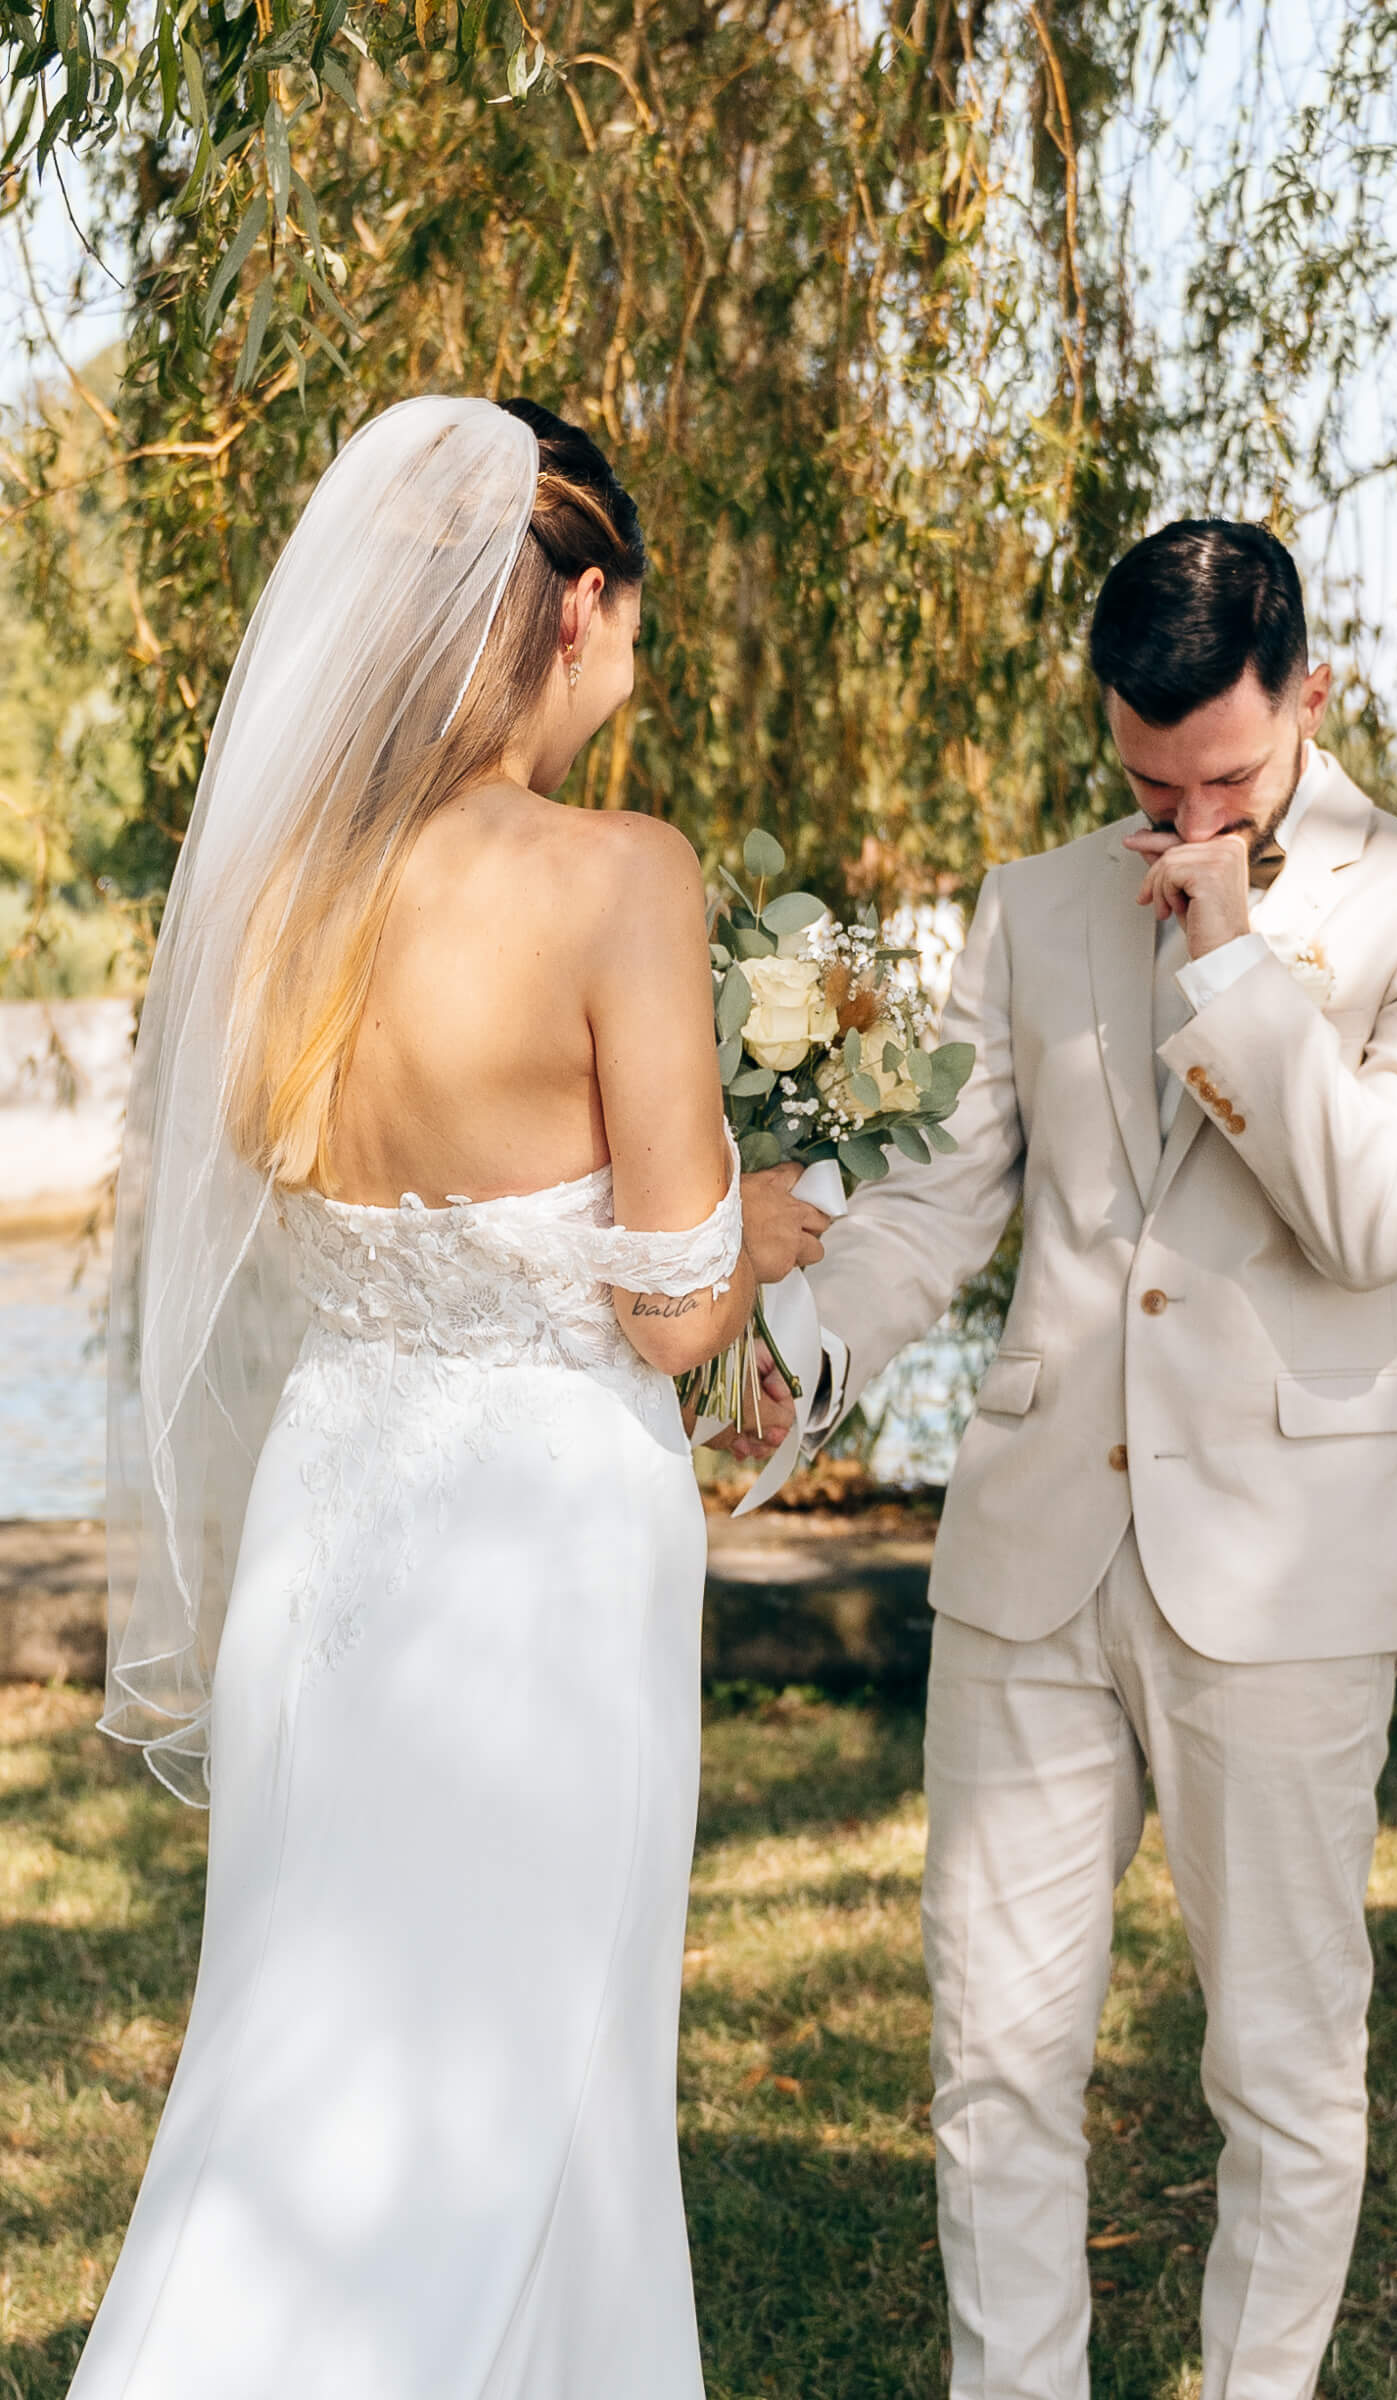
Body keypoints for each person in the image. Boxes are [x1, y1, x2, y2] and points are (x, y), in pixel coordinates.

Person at [77, 394, 826, 2400]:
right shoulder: (616, 876)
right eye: (634, 615)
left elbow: (302, 1213)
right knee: (523, 2080)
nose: (636, 653)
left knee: (290, 2068)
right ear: (579, 608)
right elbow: (669, 1308)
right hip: (532, 1548)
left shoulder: (280, 895)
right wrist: (759, 1231)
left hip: (331, 1527)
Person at [796, 521, 1397, 2400]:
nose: (1181, 815)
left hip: (1290, 1571)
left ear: (1311, 693)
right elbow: (936, 1209)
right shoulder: (1033, 904)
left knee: (1280, 2063)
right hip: (1034, 1556)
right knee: (994, 2052)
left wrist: (1232, 967)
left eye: (1221, 776)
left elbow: (1377, 1218)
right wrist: (783, 1365)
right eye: (1144, 780)